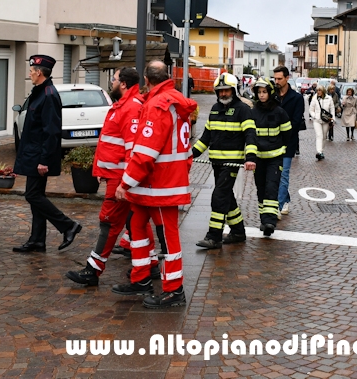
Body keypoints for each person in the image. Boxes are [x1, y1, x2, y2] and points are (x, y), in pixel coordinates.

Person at [112, 61, 197, 308]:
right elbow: (183, 147)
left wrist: (125, 184)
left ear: (147, 80)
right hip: (158, 183)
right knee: (136, 226)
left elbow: (145, 153)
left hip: (158, 185)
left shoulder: (158, 105)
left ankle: (174, 290)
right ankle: (141, 279)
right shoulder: (176, 100)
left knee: (167, 237)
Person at [65, 68, 158, 286]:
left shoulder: (130, 108)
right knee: (135, 221)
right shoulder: (123, 106)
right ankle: (151, 264)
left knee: (108, 222)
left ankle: (93, 270)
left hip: (121, 179)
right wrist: (100, 170)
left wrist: (124, 183)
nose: (112, 83)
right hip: (117, 177)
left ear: (123, 84)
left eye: (114, 80)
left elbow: (132, 149)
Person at [13, 55, 81, 253]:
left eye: (32, 71)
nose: (30, 74)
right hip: (33, 153)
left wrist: (44, 160)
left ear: (39, 73)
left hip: (38, 156)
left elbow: (51, 132)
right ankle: (37, 240)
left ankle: (68, 226)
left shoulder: (49, 95)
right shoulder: (41, 92)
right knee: (36, 196)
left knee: (32, 195)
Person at [192, 73, 256, 249]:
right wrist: (190, 155)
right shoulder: (214, 109)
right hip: (217, 163)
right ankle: (238, 232)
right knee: (227, 196)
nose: (223, 94)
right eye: (220, 91)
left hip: (231, 164)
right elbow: (205, 138)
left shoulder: (243, 110)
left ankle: (214, 237)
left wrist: (250, 158)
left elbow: (250, 135)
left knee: (219, 196)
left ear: (234, 91)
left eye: (226, 91)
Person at [249, 77, 292, 236]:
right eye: (259, 92)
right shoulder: (253, 112)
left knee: (271, 187)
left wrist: (281, 148)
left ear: (270, 93)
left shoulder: (280, 112)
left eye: (264, 92)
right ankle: (264, 219)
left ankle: (270, 221)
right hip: (259, 157)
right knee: (261, 188)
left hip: (275, 157)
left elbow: (287, 133)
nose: (261, 95)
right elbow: (250, 135)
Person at [273, 66, 304, 216]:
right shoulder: (272, 95)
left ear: (287, 78)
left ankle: (277, 208)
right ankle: (285, 199)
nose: (276, 81)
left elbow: (296, 122)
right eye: (275, 78)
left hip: (288, 141)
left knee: (283, 173)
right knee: (275, 174)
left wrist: (283, 132)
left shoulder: (297, 98)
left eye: (279, 79)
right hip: (271, 142)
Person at [309, 85, 334, 160]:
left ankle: (321, 151)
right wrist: (315, 116)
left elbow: (332, 109)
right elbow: (311, 110)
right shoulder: (314, 98)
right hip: (317, 120)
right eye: (317, 90)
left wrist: (332, 119)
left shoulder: (329, 98)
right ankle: (319, 152)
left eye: (320, 90)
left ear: (323, 91)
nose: (318, 92)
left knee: (324, 136)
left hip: (326, 120)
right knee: (319, 135)